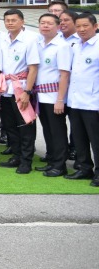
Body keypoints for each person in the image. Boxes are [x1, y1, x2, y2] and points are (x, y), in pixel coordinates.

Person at [0, 9, 39, 174]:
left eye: (13, 20)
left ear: (22, 21)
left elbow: (33, 68)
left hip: (21, 88)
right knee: (10, 125)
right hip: (4, 89)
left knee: (25, 125)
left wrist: (27, 91)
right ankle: (16, 156)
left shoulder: (29, 40)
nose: (10, 23)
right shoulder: (2, 39)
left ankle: (26, 161)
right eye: (7, 20)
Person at [34, 13, 71, 178]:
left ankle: (60, 165)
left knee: (58, 131)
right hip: (41, 96)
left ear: (57, 26)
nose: (45, 26)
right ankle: (52, 160)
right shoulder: (39, 44)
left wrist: (60, 100)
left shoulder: (61, 46)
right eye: (42, 23)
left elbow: (64, 75)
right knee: (48, 130)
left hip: (55, 96)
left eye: (49, 23)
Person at [64, 13, 99, 187]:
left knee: (96, 139)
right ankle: (84, 168)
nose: (82, 29)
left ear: (95, 26)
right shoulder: (75, 45)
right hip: (75, 100)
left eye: (85, 26)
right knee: (79, 137)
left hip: (93, 102)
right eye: (78, 26)